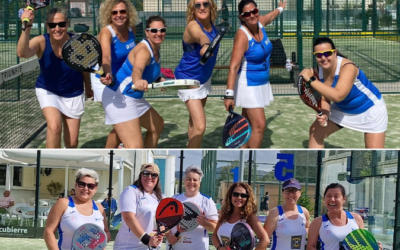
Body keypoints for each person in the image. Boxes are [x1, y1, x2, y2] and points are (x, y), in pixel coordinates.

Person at [17, 8, 92, 148]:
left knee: (72, 144)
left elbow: (84, 67)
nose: (57, 28)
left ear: (67, 23)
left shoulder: (77, 41)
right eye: (52, 25)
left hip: (74, 92)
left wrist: (87, 86)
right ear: (47, 26)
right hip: (48, 90)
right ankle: (48, 165)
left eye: (61, 24)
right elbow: (22, 53)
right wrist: (27, 27)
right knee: (54, 126)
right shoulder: (41, 41)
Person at [300, 37, 388, 148]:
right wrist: (326, 113)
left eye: (327, 53)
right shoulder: (318, 71)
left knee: (374, 152)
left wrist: (311, 79)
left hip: (370, 110)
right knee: (315, 132)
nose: (323, 58)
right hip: (343, 108)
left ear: (335, 52)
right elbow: (324, 96)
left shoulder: (348, 67)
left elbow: (338, 96)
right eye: (318, 55)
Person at [224, 0, 287, 148]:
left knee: (245, 126)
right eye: (247, 13)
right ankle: (250, 159)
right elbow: (233, 67)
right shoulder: (242, 36)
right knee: (259, 125)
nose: (252, 15)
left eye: (254, 11)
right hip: (248, 84)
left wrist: (280, 8)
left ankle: (241, 152)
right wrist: (229, 94)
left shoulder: (260, 23)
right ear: (242, 17)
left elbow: (271, 16)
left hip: (262, 83)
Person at [101, 16, 165, 148]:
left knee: (157, 125)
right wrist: (138, 81)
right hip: (119, 97)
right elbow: (137, 69)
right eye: (154, 30)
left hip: (132, 96)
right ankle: (108, 157)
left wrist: (159, 78)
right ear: (147, 32)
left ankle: (112, 153)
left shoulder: (156, 48)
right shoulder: (144, 50)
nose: (158, 33)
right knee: (135, 148)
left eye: (161, 30)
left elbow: (150, 70)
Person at [174, 0, 220, 148]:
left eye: (205, 4)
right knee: (200, 127)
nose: (202, 8)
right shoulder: (193, 26)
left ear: (211, 6)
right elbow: (201, 36)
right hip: (188, 80)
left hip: (204, 78)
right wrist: (206, 45)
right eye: (197, 5)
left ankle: (192, 146)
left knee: (194, 122)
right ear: (192, 10)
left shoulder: (213, 26)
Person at [94, 0, 138, 148]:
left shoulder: (132, 29)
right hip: (105, 79)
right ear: (109, 15)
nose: (119, 15)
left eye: (122, 11)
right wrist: (108, 74)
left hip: (122, 79)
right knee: (121, 121)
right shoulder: (106, 32)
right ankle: (114, 151)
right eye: (114, 12)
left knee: (123, 121)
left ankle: (113, 149)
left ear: (128, 13)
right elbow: (106, 57)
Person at [43, 168, 110, 250]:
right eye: (82, 184)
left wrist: (100, 243)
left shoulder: (99, 208)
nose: (86, 188)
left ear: (95, 189)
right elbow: (49, 231)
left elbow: (105, 232)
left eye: (90, 186)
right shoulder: (63, 203)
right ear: (75, 185)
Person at [113, 163, 165, 249]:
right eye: (146, 173)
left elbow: (164, 223)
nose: (149, 177)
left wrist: (163, 230)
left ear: (157, 178)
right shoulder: (131, 191)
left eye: (154, 175)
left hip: (153, 247)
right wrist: (146, 239)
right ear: (141, 175)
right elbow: (128, 218)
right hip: (129, 247)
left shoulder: (161, 197)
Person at [166, 165, 218, 250]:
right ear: (184, 181)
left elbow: (216, 227)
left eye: (195, 180)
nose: (191, 182)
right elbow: (164, 223)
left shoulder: (207, 201)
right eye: (188, 179)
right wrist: (168, 236)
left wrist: (205, 223)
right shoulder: (174, 199)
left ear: (199, 182)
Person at [306, 183, 371, 250]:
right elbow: (310, 247)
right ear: (324, 199)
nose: (332, 199)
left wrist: (375, 246)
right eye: (329, 196)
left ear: (344, 199)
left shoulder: (356, 218)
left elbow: (364, 243)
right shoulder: (317, 222)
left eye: (336, 196)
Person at [212, 182, 269, 250]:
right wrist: (219, 248)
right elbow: (214, 235)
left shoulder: (250, 217)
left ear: (248, 198)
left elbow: (265, 240)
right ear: (230, 196)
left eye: (243, 195)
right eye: (235, 194)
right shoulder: (225, 214)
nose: (239, 197)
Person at [264, 179, 310, 250]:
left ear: (300, 193)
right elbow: (264, 239)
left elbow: (307, 229)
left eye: (294, 191)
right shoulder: (275, 213)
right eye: (287, 191)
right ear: (282, 193)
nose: (291, 194)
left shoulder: (304, 212)